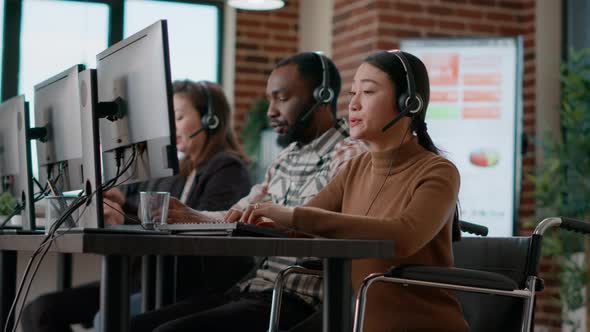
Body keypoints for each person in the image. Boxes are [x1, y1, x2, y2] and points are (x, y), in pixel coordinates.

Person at [128, 52, 367, 332]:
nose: (271, 112)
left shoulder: (351, 155)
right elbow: (239, 213)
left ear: (322, 96)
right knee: (135, 325)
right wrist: (190, 214)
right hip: (254, 288)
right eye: (270, 100)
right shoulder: (286, 157)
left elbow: (330, 228)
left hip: (299, 299)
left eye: (282, 98)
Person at [240, 50, 470, 331]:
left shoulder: (439, 171)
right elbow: (302, 226)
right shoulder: (356, 167)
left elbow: (404, 236)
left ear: (407, 103)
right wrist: (258, 220)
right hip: (358, 321)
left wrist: (291, 215)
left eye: (369, 92)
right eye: (352, 94)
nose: (354, 104)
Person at [21, 80, 253, 332]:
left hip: (192, 285)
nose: (170, 126)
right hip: (149, 279)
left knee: (110, 319)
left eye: (179, 117)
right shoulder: (176, 171)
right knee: (40, 311)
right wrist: (124, 206)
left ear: (210, 120)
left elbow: (201, 229)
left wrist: (127, 217)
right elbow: (154, 215)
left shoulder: (227, 168)